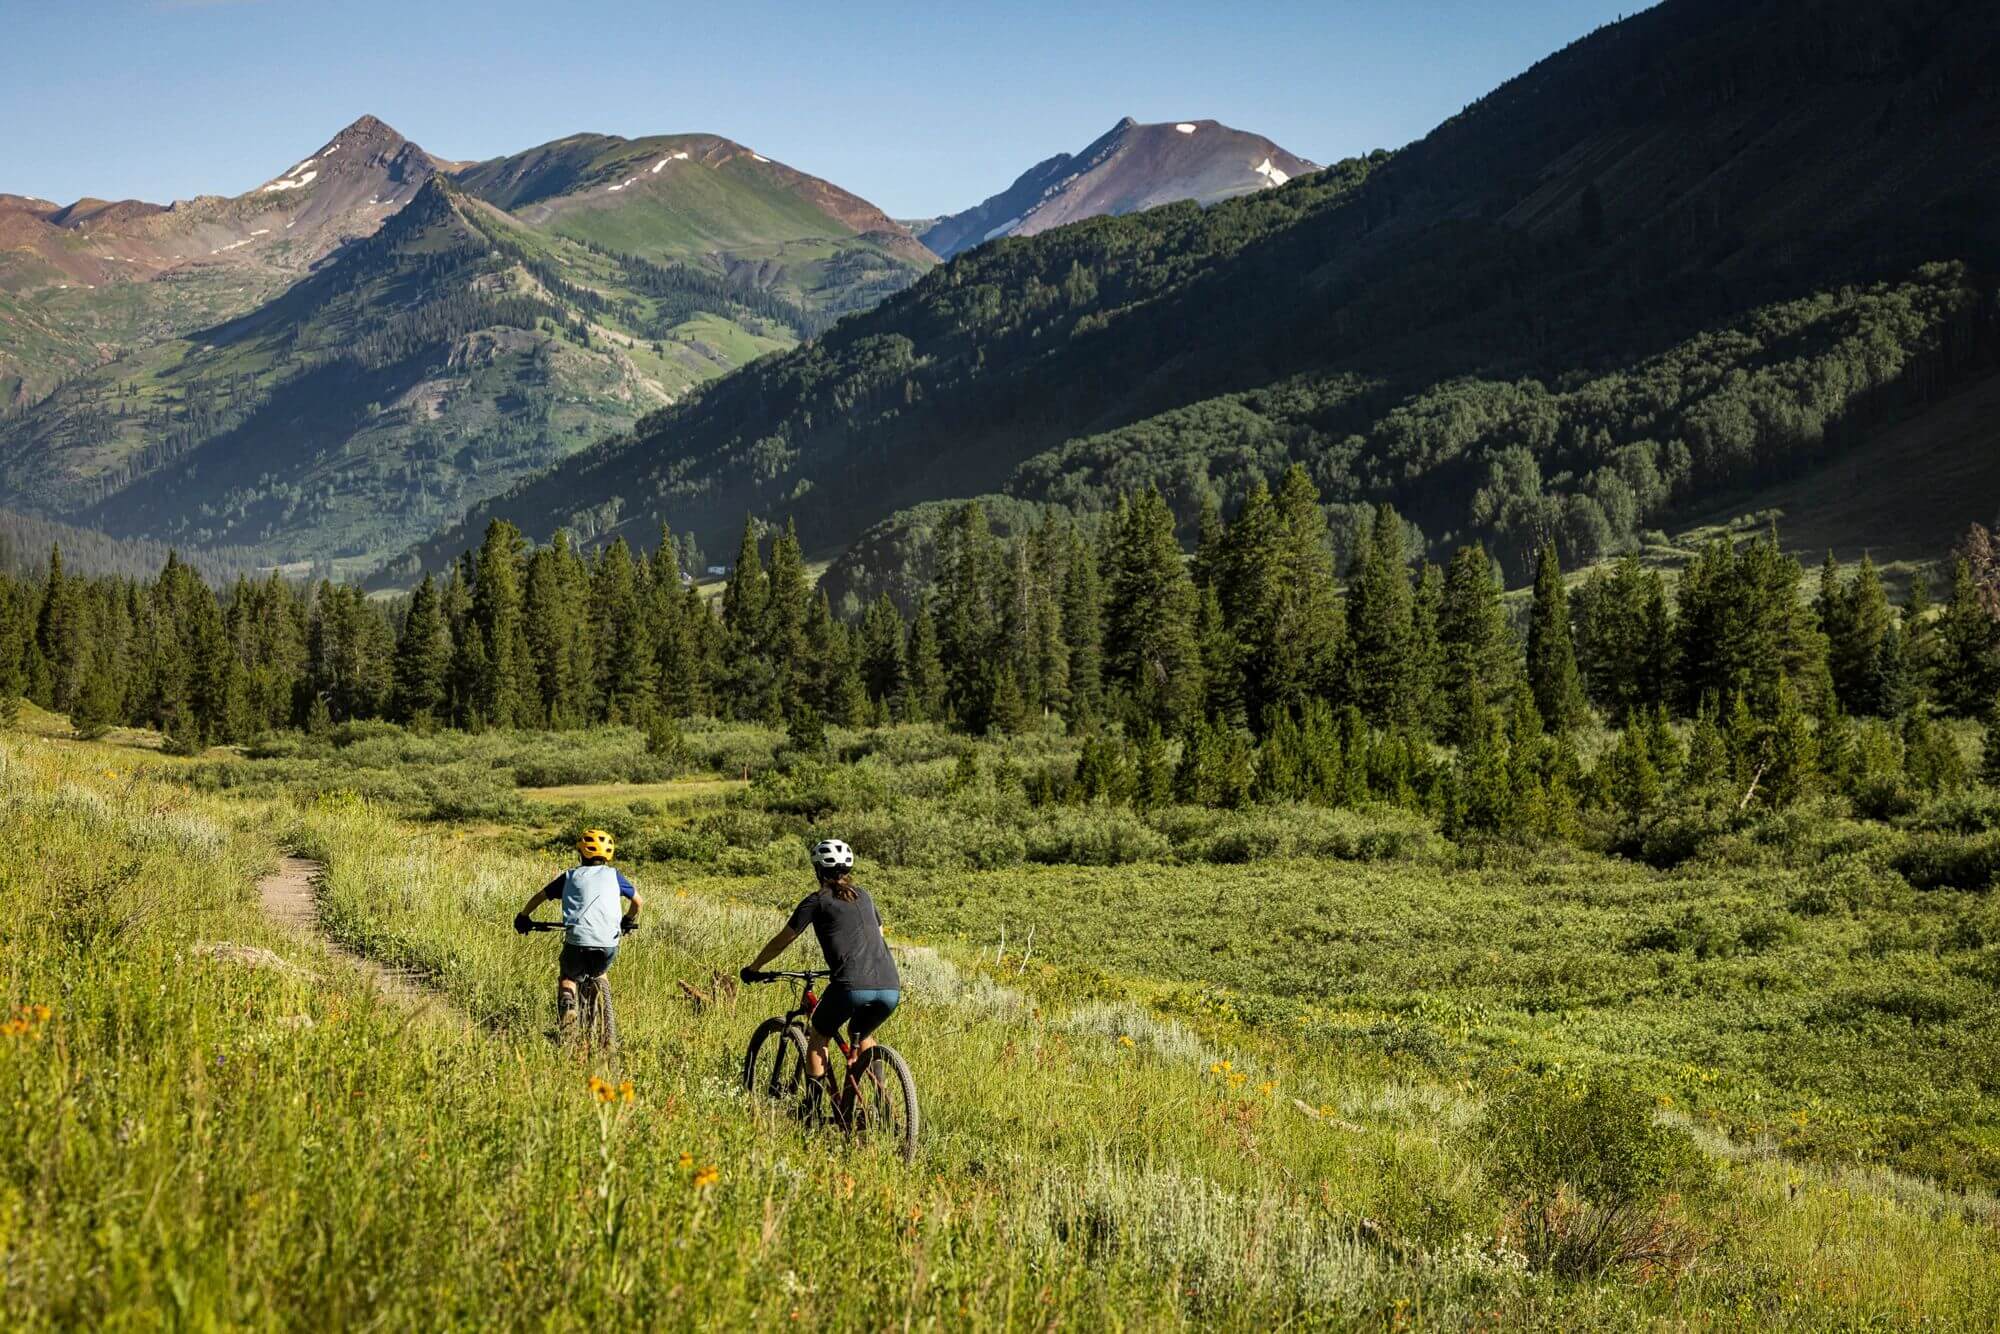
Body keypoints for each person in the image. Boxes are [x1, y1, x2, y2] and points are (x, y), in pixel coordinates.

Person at [740, 838, 900, 1087]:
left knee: (818, 1037)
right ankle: (882, 1102)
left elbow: (783, 940)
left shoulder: (817, 901)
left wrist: (754, 968)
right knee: (863, 1033)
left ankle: (812, 1113)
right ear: (847, 870)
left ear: (818, 870)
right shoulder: (865, 896)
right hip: (890, 986)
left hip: (851, 986)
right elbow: (878, 936)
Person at [515, 828, 640, 1028]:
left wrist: (523, 917)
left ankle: (568, 1003)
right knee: (599, 971)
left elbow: (540, 896)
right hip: (609, 943)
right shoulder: (615, 876)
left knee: (568, 975)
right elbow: (638, 901)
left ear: (581, 853)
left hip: (577, 941)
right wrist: (627, 920)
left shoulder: (570, 876)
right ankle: (602, 1012)